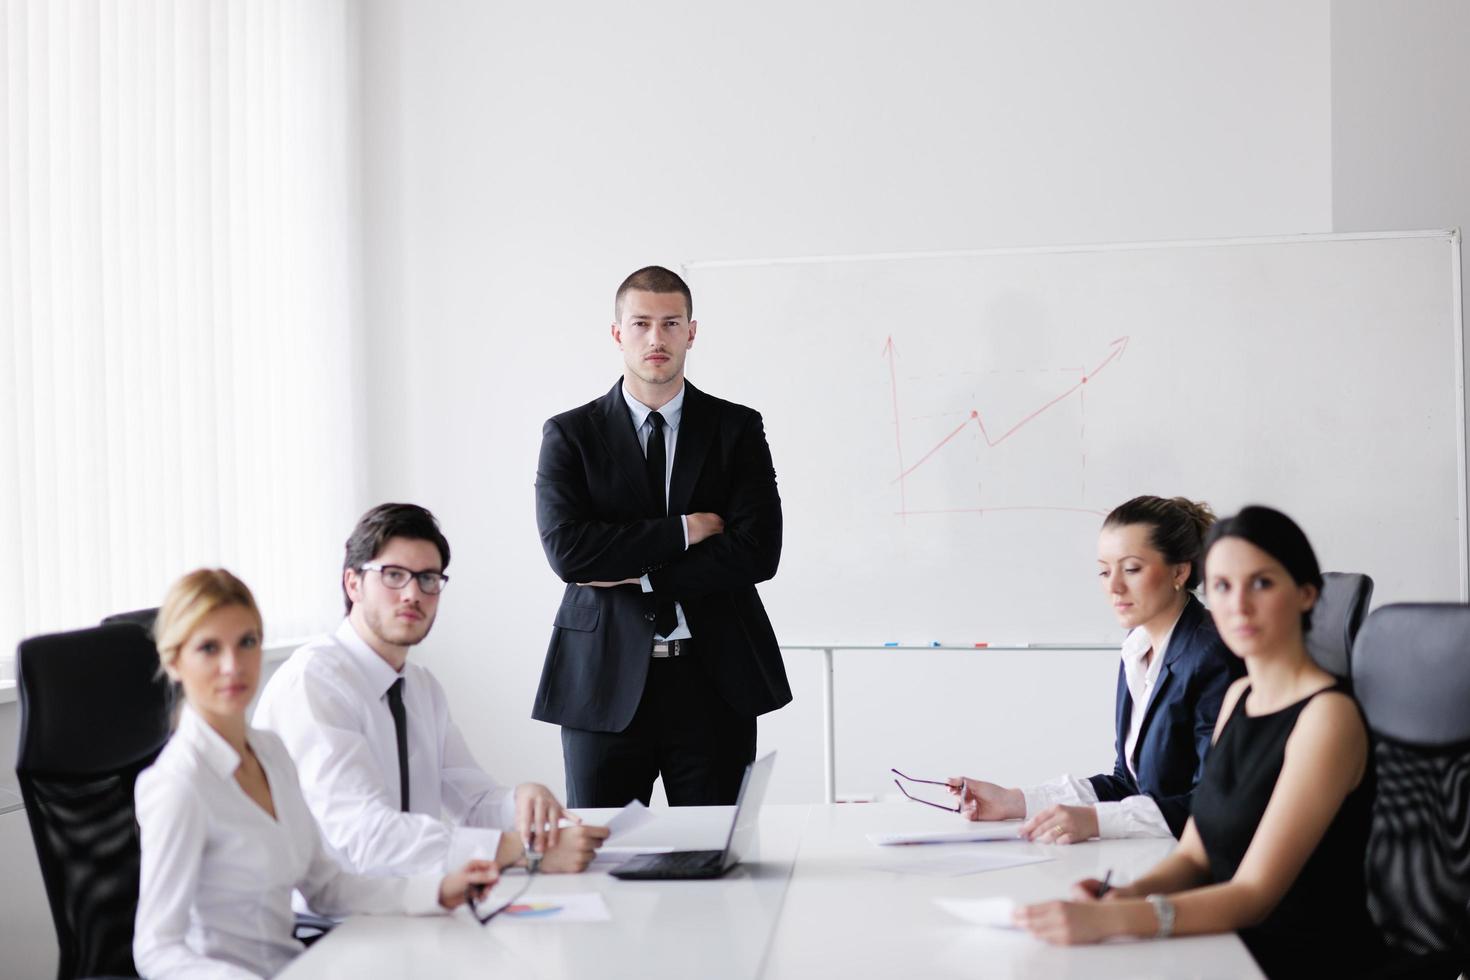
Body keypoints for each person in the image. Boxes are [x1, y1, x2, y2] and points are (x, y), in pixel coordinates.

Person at [1013, 506, 1385, 978]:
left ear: (1307, 594)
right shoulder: (1239, 696)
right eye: (1224, 587)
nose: (1238, 606)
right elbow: (1194, 854)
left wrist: (1116, 919)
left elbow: (1254, 895)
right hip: (1225, 940)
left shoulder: (1328, 717)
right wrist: (1122, 895)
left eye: (1262, 583)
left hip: (1297, 957)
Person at [134, 569, 498, 979]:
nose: (233, 665)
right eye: (209, 649)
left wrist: (437, 890)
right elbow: (157, 950)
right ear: (174, 661)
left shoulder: (271, 752)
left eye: (247, 642)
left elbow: (325, 886)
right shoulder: (178, 783)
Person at [533, 265, 791, 807]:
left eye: (671, 323)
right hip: (603, 682)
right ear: (617, 333)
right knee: (600, 859)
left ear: (691, 332)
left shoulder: (736, 428)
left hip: (714, 679)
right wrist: (685, 530)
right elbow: (570, 552)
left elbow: (757, 551)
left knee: (713, 860)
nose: (656, 338)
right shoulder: (570, 434)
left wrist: (640, 574)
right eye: (641, 323)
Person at [253, 503, 607, 881]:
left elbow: (472, 802)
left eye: (427, 579)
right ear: (352, 583)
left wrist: (521, 801)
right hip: (331, 923)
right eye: (393, 575)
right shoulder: (313, 683)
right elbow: (364, 837)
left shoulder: (420, 686)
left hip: (410, 903)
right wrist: (522, 852)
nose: (412, 594)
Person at [948, 496, 1241, 842]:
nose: (1114, 586)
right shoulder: (1138, 647)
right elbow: (1127, 782)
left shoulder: (1213, 655)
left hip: (1201, 865)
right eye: (1104, 571)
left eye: (1131, 569)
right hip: (1151, 853)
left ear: (1180, 571)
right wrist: (1016, 800)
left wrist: (1096, 821)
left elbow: (1214, 804)